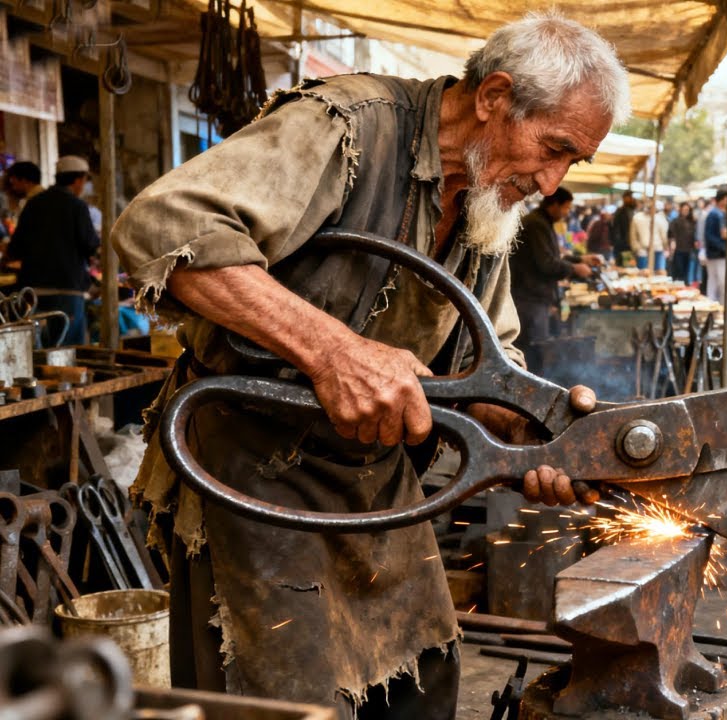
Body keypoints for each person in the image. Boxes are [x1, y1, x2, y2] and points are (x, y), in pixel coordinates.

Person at [110, 13, 624, 717]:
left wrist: (531, 432)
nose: (552, 179)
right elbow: (161, 228)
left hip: (378, 480)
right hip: (255, 471)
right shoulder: (348, 125)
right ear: (493, 97)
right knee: (286, 698)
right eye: (554, 148)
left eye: (573, 162)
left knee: (419, 684)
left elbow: (486, 363)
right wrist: (333, 352)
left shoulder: (485, 200)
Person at [5, 156, 100, 346]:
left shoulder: (33, 204)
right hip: (68, 291)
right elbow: (91, 245)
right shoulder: (77, 206)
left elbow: (15, 249)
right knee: (69, 351)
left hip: (33, 293)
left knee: (38, 351)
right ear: (78, 180)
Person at [510, 187, 600, 370]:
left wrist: (580, 259)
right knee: (532, 353)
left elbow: (552, 256)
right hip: (529, 299)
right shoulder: (536, 224)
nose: (567, 212)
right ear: (554, 205)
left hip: (535, 298)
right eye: (566, 207)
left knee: (535, 351)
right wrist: (575, 269)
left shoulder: (542, 222)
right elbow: (547, 264)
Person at [703, 189, 727, 303]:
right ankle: (717, 305)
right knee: (718, 282)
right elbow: (709, 235)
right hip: (717, 253)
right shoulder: (714, 214)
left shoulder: (720, 213)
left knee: (715, 282)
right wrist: (723, 247)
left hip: (717, 253)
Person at [629, 199, 668, 271]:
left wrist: (665, 247)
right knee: (643, 273)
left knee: (659, 273)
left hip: (657, 250)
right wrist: (637, 248)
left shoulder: (660, 218)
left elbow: (664, 236)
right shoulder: (637, 218)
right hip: (642, 251)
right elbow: (633, 236)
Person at [668, 201, 697, 284]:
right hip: (678, 249)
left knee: (686, 271)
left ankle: (685, 284)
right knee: (679, 270)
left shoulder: (692, 221)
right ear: (680, 210)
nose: (685, 211)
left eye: (687, 210)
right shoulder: (675, 221)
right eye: (684, 209)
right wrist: (672, 244)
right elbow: (671, 234)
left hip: (689, 249)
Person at [611, 190, 636, 263]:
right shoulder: (621, 211)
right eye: (630, 197)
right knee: (623, 263)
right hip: (622, 244)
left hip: (628, 243)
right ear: (624, 198)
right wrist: (620, 242)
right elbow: (616, 228)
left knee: (628, 263)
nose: (632, 199)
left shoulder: (631, 210)